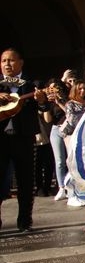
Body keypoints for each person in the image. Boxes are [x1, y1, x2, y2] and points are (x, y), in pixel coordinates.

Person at [0, 48, 48, 231]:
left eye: (11, 60)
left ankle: (25, 220)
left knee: (26, 181)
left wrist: (42, 100)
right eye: (4, 61)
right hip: (1, 139)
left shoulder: (32, 84)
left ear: (20, 63)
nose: (7, 64)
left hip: (24, 138)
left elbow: (44, 109)